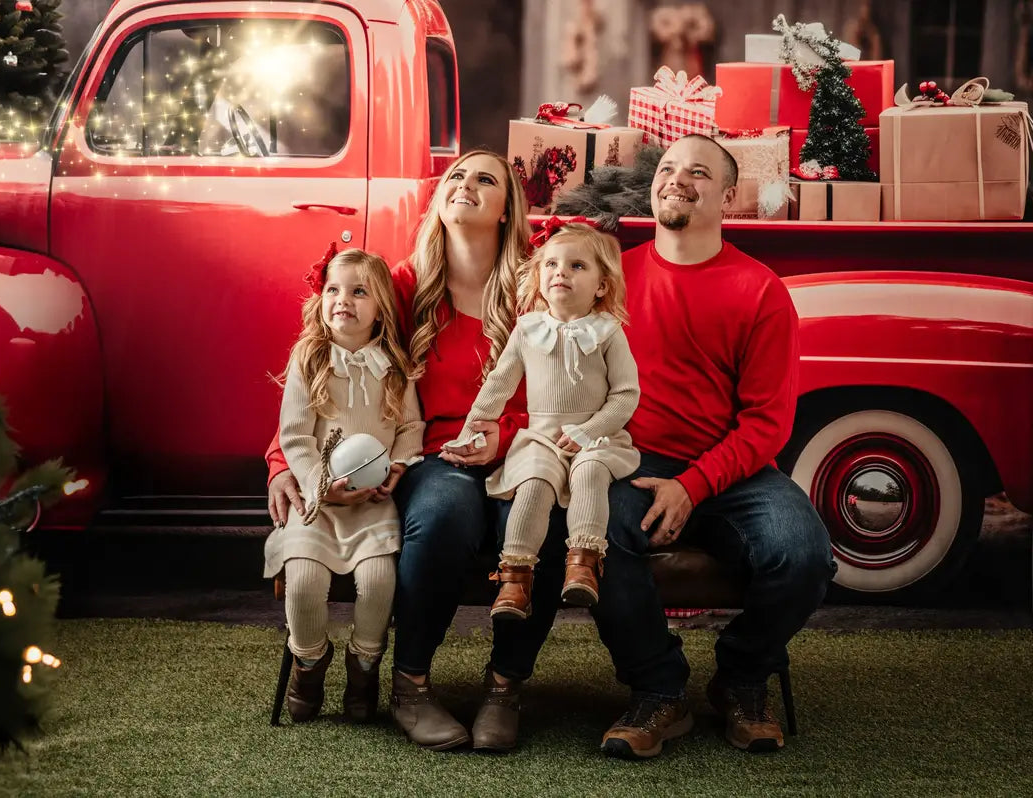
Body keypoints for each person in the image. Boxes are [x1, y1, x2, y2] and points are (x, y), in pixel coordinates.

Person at [267, 150, 553, 752]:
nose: (465, 185)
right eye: (455, 176)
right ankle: (411, 685)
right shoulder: (400, 284)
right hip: (432, 450)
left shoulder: (539, 283)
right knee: (444, 514)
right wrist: (281, 460)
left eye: (485, 180)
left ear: (508, 209)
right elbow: (327, 363)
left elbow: (569, 391)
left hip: (525, 443)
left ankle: (504, 689)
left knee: (542, 523)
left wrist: (509, 430)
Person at [591, 134, 836, 759]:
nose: (677, 179)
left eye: (697, 173)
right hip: (629, 461)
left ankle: (742, 676)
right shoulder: (611, 277)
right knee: (594, 533)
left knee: (803, 553)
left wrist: (693, 485)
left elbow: (767, 424)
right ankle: (659, 690)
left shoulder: (760, 291)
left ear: (728, 197)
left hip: (732, 470)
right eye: (668, 168)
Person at [444, 223, 640, 619]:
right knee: (531, 484)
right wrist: (472, 430)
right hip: (541, 439)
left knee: (589, 475)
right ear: (538, 275)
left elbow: (625, 395)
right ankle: (515, 577)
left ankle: (583, 563)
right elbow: (499, 383)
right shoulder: (528, 329)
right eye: (550, 264)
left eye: (576, 266)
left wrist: (589, 431)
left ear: (602, 286)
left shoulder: (608, 332)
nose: (560, 272)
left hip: (596, 438)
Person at [262, 247, 423, 724]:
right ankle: (309, 662)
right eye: (333, 289)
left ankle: (364, 666)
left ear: (381, 309)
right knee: (306, 582)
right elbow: (294, 435)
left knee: (378, 582)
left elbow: (411, 427)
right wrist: (319, 484)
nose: (342, 300)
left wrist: (397, 465)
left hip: (372, 502)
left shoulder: (395, 365)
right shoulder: (309, 358)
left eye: (358, 291)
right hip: (319, 502)